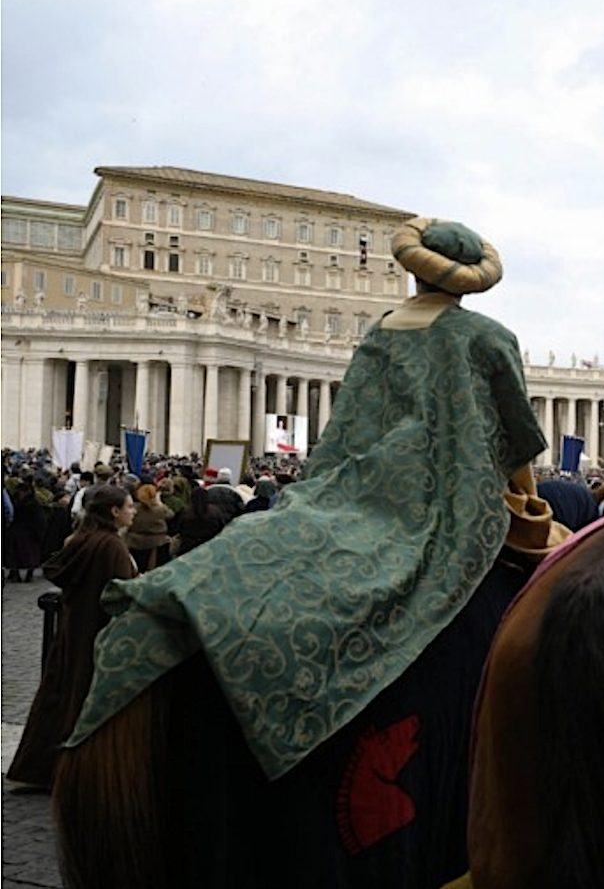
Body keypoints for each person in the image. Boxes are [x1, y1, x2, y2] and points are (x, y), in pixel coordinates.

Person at [68, 214, 546, 788]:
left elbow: (350, 426)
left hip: (348, 487)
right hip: (446, 501)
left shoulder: (382, 331)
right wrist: (530, 499)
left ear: (415, 274)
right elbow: (516, 436)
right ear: (469, 281)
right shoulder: (488, 337)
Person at [7, 485, 136, 788]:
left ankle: (41, 767)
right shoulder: (110, 546)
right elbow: (120, 593)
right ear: (114, 511)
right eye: (129, 506)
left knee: (60, 696)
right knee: (84, 700)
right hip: (97, 633)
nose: (133, 511)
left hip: (74, 630)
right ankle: (76, 772)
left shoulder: (83, 540)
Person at [125, 482, 175, 573]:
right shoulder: (160, 510)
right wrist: (159, 502)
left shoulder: (135, 509)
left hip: (135, 542)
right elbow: (171, 514)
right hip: (157, 543)